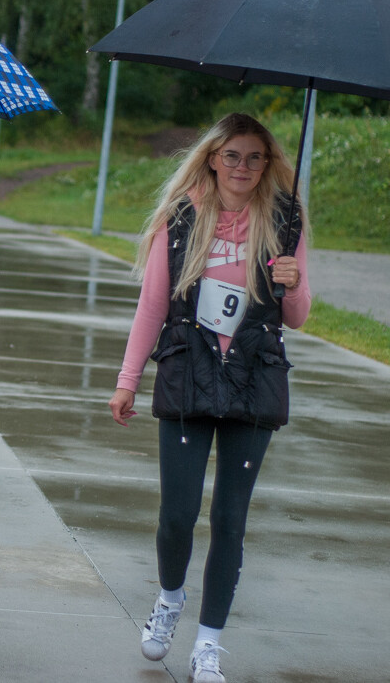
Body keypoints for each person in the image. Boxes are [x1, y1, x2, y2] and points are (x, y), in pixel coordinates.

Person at [108, 112, 311, 683]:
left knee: (229, 518)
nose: (242, 167)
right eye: (232, 156)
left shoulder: (284, 219)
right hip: (187, 373)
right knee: (177, 516)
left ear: (267, 164)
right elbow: (152, 305)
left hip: (255, 376)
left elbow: (294, 316)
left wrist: (294, 282)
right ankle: (170, 599)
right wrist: (127, 381)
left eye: (254, 157)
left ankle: (208, 643)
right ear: (212, 159)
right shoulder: (181, 220)